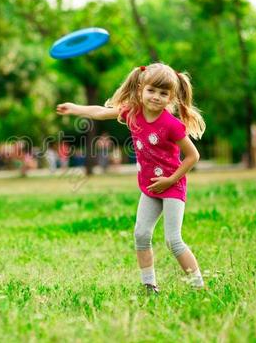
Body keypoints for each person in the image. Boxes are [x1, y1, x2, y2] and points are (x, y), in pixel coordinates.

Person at [56, 63, 206, 293]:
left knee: (173, 240)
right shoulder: (132, 113)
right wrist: (75, 108)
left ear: (171, 97)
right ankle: (149, 285)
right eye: (151, 91)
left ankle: (199, 287)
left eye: (163, 93)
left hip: (172, 186)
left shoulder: (171, 125)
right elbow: (101, 112)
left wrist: (170, 179)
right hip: (149, 187)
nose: (156, 97)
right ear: (140, 89)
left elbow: (192, 156)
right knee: (141, 234)